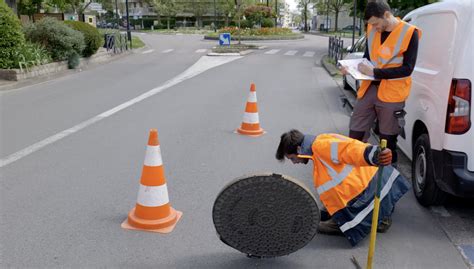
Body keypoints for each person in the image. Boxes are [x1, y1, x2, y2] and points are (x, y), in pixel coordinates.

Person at [276, 130, 410, 246]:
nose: (294, 163)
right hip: (369, 185)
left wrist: (375, 154)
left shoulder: (321, 147)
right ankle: (341, 213)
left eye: (292, 158)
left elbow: (351, 149)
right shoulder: (319, 142)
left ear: (299, 149)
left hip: (368, 192)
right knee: (324, 212)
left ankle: (378, 219)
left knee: (321, 226)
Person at [341, 1, 421, 167]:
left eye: (376, 23)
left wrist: (375, 73)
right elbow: (367, 59)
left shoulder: (410, 33)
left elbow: (407, 69)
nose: (374, 28)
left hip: (392, 94)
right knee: (356, 133)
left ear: (386, 15)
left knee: (387, 142)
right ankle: (356, 175)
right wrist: (351, 68)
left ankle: (387, 182)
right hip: (369, 89)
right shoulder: (372, 29)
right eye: (371, 24)